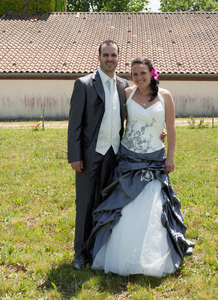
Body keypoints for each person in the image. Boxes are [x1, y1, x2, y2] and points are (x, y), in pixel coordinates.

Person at [88, 58, 195, 277]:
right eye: (134, 74)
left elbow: (172, 129)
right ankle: (119, 252)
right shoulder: (126, 94)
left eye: (142, 73)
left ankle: (154, 254)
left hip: (155, 158)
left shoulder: (165, 96)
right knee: (125, 205)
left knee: (155, 205)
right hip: (129, 158)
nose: (139, 78)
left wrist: (171, 157)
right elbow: (113, 122)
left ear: (151, 73)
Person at [67, 40, 129, 270]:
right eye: (106, 55)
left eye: (114, 55)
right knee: (85, 203)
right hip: (89, 154)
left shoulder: (124, 85)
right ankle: (80, 253)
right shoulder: (84, 84)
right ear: (99, 56)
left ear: (118, 57)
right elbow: (74, 124)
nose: (110, 59)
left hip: (113, 153)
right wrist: (75, 155)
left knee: (104, 202)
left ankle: (98, 248)